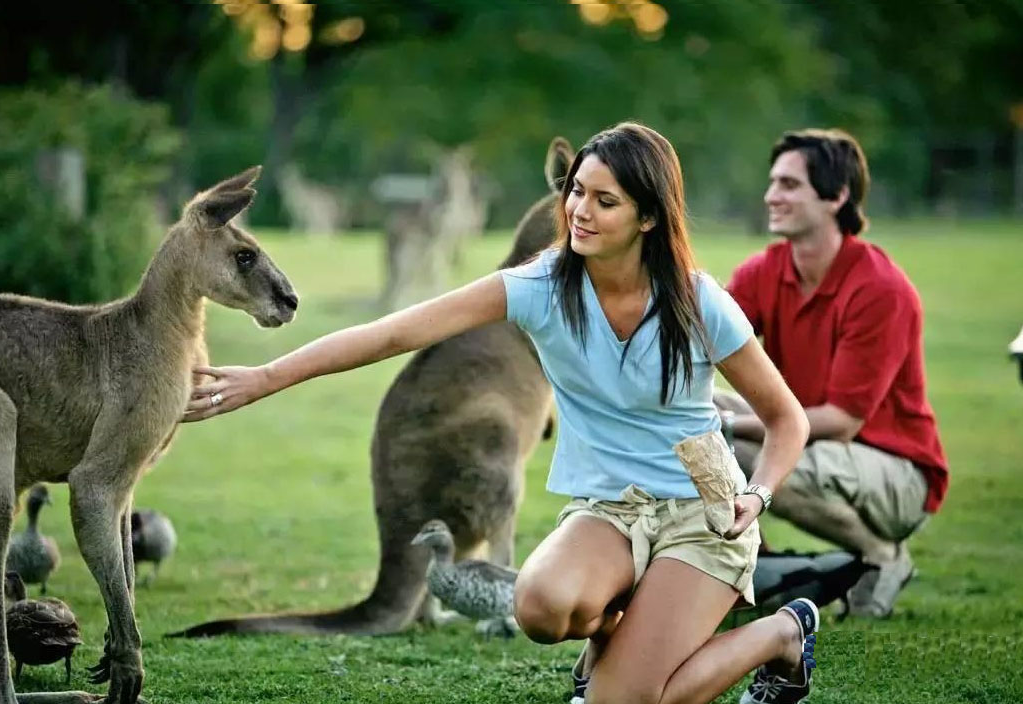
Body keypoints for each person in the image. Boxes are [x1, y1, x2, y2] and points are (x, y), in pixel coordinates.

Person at [184, 123, 815, 704]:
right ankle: (627, 636)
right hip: (612, 510)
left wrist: (757, 494)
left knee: (622, 703)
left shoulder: (699, 301)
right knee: (538, 607)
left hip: (700, 511)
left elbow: (787, 420)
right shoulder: (543, 285)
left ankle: (784, 635)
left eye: (604, 200)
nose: (578, 211)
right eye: (576, 193)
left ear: (649, 217)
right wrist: (266, 376)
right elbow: (392, 334)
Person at [719, 128, 950, 620]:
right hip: (817, 441)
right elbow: (702, 345)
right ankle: (748, 569)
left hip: (897, 472)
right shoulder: (764, 272)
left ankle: (880, 554)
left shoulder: (879, 288)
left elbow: (841, 421)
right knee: (699, 414)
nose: (771, 196)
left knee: (739, 447)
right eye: (772, 182)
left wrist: (726, 425)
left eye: (788, 184)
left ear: (837, 196)